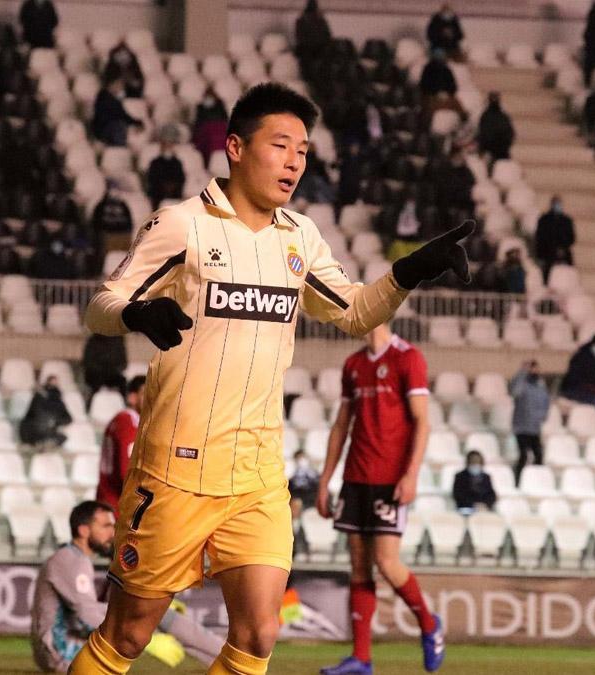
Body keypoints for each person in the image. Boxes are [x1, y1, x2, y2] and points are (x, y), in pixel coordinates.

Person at [76, 82, 468, 675]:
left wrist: (409, 272)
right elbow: (100, 304)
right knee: (127, 635)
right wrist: (135, 312)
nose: (294, 162)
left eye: (304, 151)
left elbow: (355, 310)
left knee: (259, 632)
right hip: (178, 468)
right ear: (235, 147)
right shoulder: (182, 225)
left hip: (258, 474)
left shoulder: (299, 237)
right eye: (281, 145)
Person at [316, 324, 440, 675]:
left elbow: (422, 422)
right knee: (358, 565)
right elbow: (342, 425)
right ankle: (361, 658)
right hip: (356, 478)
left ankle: (430, 625)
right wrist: (326, 480)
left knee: (387, 563)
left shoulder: (408, 357)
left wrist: (411, 474)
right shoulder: (353, 364)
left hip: (390, 480)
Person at [32, 501, 224, 672]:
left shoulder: (72, 558)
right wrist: (147, 638)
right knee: (147, 618)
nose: (112, 533)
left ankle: (220, 657)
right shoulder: (71, 561)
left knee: (156, 614)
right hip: (61, 651)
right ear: (83, 531)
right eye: (106, 526)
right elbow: (86, 615)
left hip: (62, 645)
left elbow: (86, 611)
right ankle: (225, 657)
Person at [96, 376, 144, 511]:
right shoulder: (129, 422)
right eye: (147, 393)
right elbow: (128, 472)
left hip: (108, 499)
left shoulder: (118, 420)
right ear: (132, 397)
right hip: (119, 505)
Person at [510, 360, 550, 485]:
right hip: (521, 427)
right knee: (523, 456)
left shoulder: (540, 386)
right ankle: (517, 481)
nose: (535, 371)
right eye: (532, 369)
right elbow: (515, 391)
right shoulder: (522, 384)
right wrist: (522, 372)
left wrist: (542, 416)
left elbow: (545, 402)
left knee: (539, 455)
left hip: (534, 428)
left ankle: (535, 481)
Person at [20, 375, 72, 447]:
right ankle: (41, 443)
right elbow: (28, 420)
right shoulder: (38, 399)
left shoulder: (57, 401)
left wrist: (56, 423)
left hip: (49, 432)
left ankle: (46, 443)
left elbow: (68, 419)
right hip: (35, 433)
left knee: (62, 438)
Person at [534, 195, 575, 282]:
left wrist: (562, 248)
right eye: (555, 203)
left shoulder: (566, 220)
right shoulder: (544, 220)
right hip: (547, 254)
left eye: (559, 203)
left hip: (564, 254)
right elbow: (539, 237)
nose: (557, 206)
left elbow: (571, 238)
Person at [92, 77, 142, 147]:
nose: (120, 88)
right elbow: (119, 114)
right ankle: (119, 147)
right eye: (118, 85)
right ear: (112, 84)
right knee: (119, 126)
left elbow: (123, 114)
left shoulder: (114, 99)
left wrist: (137, 122)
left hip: (111, 126)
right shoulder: (104, 97)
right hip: (103, 128)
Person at [560, 335, 595, 411]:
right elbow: (590, 377)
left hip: (573, 387)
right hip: (576, 389)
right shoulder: (590, 358)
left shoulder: (581, 353)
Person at [146, 127, 186, 208]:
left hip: (175, 197)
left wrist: (172, 187)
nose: (168, 146)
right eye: (165, 143)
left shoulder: (177, 163)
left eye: (170, 143)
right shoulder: (155, 163)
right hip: (158, 198)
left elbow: (180, 180)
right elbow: (152, 182)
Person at [191, 88, 229, 162]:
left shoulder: (220, 105)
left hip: (218, 128)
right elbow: (198, 121)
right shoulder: (200, 107)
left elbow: (225, 118)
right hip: (206, 131)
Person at [476, 92, 515, 162]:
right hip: (497, 151)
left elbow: (482, 133)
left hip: (496, 151)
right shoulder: (502, 116)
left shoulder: (488, 116)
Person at [287, 449, 319, 520]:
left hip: (310, 499)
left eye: (303, 458)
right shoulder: (291, 477)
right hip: (295, 497)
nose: (301, 461)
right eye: (299, 458)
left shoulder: (314, 475)